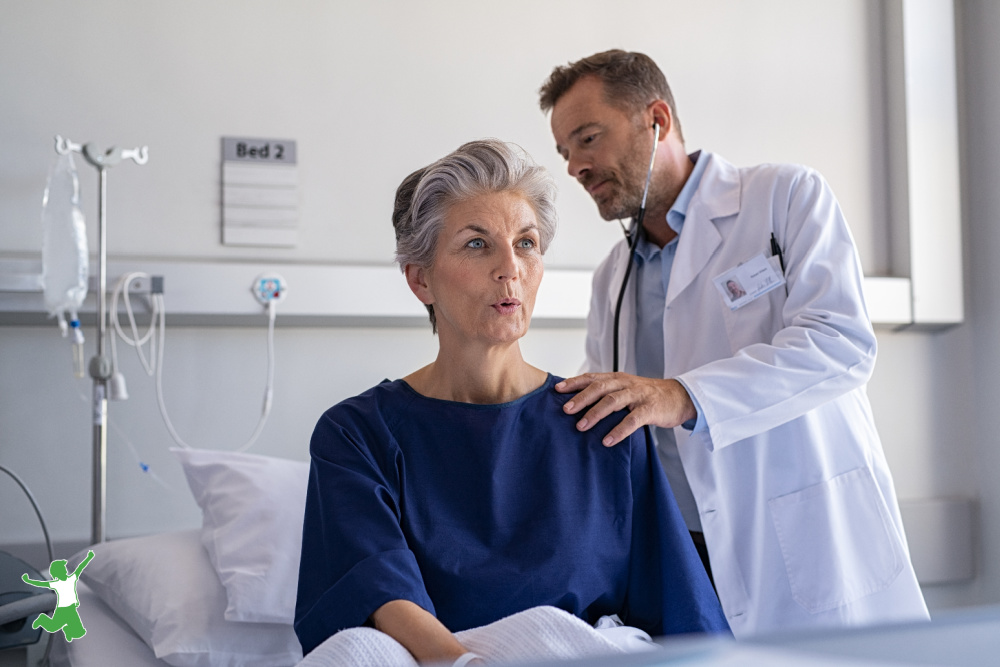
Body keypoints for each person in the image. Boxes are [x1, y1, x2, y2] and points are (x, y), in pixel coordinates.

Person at [538, 50, 929, 637]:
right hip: (683, 556)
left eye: (588, 138)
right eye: (566, 153)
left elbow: (840, 342)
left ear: (657, 120)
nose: (575, 167)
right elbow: (614, 408)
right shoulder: (612, 276)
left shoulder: (785, 197)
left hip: (804, 536)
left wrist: (684, 396)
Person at [294, 139, 728, 664]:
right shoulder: (357, 433)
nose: (511, 268)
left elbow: (687, 616)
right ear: (420, 279)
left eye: (525, 243)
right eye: (477, 245)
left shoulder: (603, 422)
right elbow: (374, 589)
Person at [22, 551, 95, 641]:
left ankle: (68, 630)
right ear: (57, 573)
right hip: (62, 610)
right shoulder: (56, 584)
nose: (65, 570)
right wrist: (28, 580)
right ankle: (42, 619)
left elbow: (80, 568)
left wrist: (88, 558)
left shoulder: (71, 579)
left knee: (79, 632)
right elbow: (41, 584)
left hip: (71, 608)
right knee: (53, 627)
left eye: (64, 569)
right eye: (62, 569)